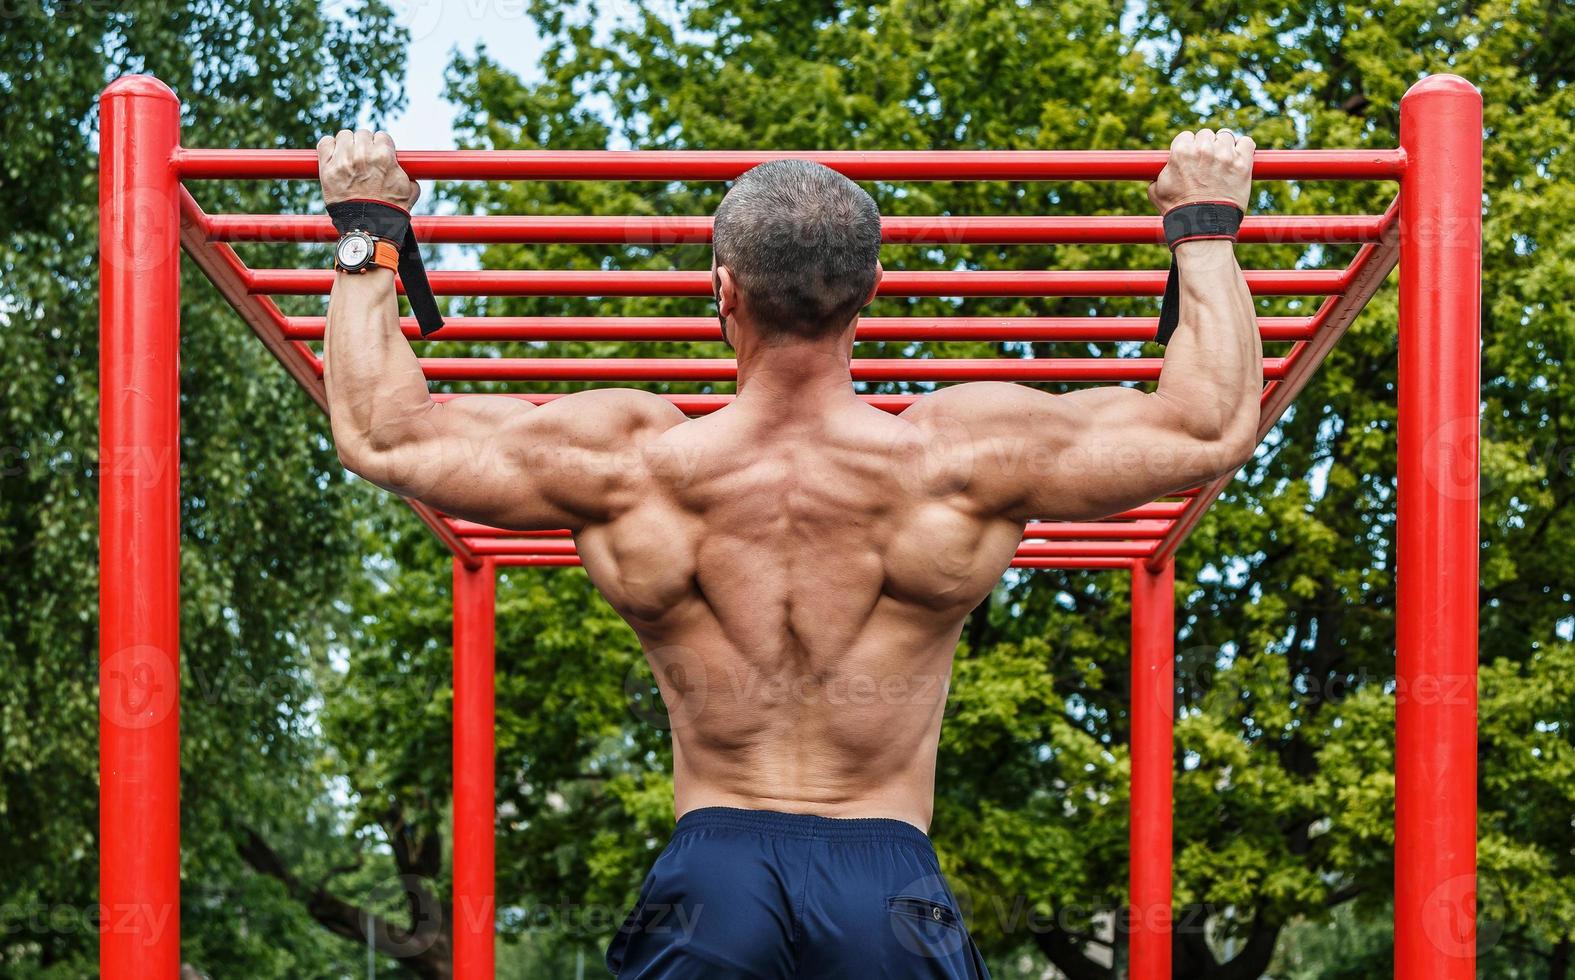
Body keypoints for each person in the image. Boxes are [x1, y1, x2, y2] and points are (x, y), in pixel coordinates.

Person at [316, 126, 1259, 978]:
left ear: (719, 288)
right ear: (871, 290)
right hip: (882, 881)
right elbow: (1205, 424)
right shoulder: (961, 459)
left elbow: (382, 435)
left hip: (711, 884)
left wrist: (368, 228)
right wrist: (1202, 225)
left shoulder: (631, 465)